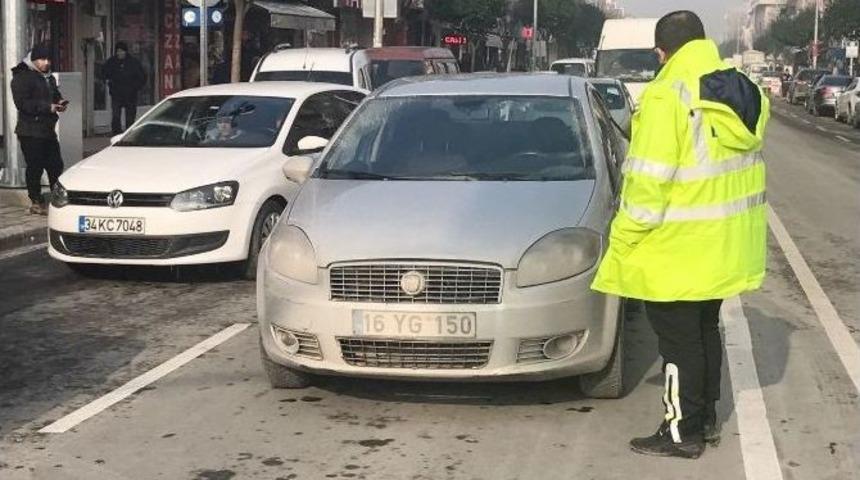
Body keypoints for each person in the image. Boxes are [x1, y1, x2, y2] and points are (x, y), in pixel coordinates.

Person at [591, 11, 770, 459]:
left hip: (675, 249)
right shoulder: (742, 90)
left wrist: (624, 239)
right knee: (704, 333)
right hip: (724, 247)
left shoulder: (666, 95)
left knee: (677, 344)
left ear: (661, 52)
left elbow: (648, 183)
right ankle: (704, 419)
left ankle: (680, 432)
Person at [10, 44, 67, 215]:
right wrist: (46, 107)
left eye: (48, 59)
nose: (46, 63)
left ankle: (57, 199)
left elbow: (55, 94)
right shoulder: (22, 76)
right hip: (30, 130)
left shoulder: (48, 77)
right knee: (35, 165)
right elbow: (23, 103)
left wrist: (59, 103)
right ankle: (35, 200)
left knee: (55, 165)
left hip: (47, 129)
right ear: (34, 59)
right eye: (42, 59)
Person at [102, 42, 146, 134]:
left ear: (125, 52)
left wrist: (135, 87)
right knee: (116, 116)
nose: (119, 53)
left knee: (130, 117)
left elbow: (142, 76)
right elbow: (104, 72)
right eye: (118, 51)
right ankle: (116, 133)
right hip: (116, 94)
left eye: (121, 51)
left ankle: (129, 134)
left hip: (130, 94)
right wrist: (108, 82)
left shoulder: (133, 62)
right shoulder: (112, 62)